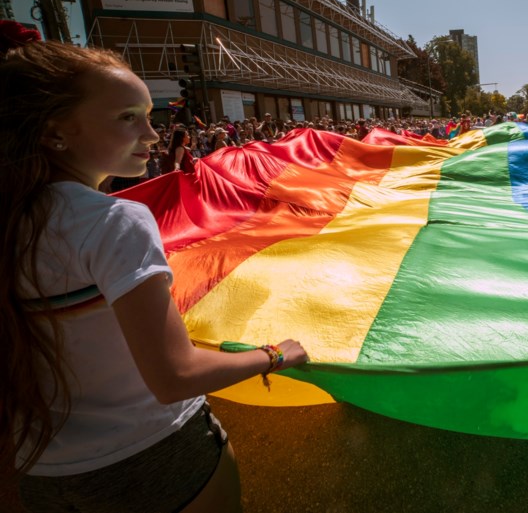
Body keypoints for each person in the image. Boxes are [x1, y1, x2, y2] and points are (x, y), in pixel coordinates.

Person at [0, 35, 309, 512]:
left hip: (41, 471)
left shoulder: (14, 222)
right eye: (127, 118)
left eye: (149, 116)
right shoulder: (113, 221)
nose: (152, 135)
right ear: (54, 130)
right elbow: (175, 375)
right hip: (153, 458)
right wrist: (274, 355)